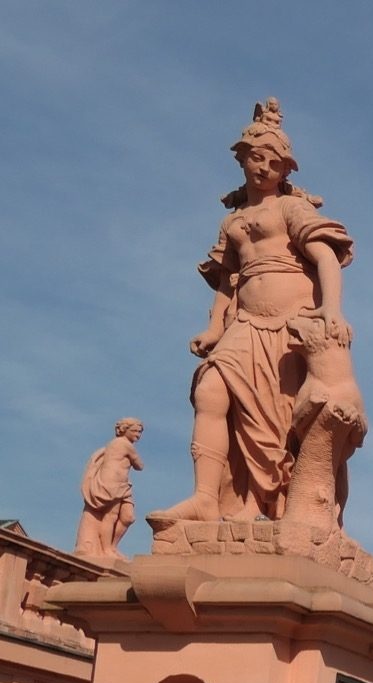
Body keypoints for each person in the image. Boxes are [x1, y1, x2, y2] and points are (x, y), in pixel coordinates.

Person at [150, 100, 356, 531]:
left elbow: (326, 258)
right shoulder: (233, 222)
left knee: (287, 425)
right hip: (243, 324)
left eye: (272, 161)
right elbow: (230, 279)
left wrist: (330, 310)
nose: (261, 167)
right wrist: (213, 327)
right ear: (242, 160)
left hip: (289, 325)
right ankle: (206, 498)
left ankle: (293, 506)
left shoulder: (290, 210)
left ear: (285, 170)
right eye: (254, 158)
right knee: (210, 389)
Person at [75, 419, 145, 561]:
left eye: (140, 432)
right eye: (135, 431)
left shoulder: (118, 445)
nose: (138, 435)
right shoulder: (123, 444)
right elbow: (139, 465)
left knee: (128, 517)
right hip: (112, 484)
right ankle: (107, 549)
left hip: (123, 485)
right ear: (125, 430)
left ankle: (112, 546)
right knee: (111, 516)